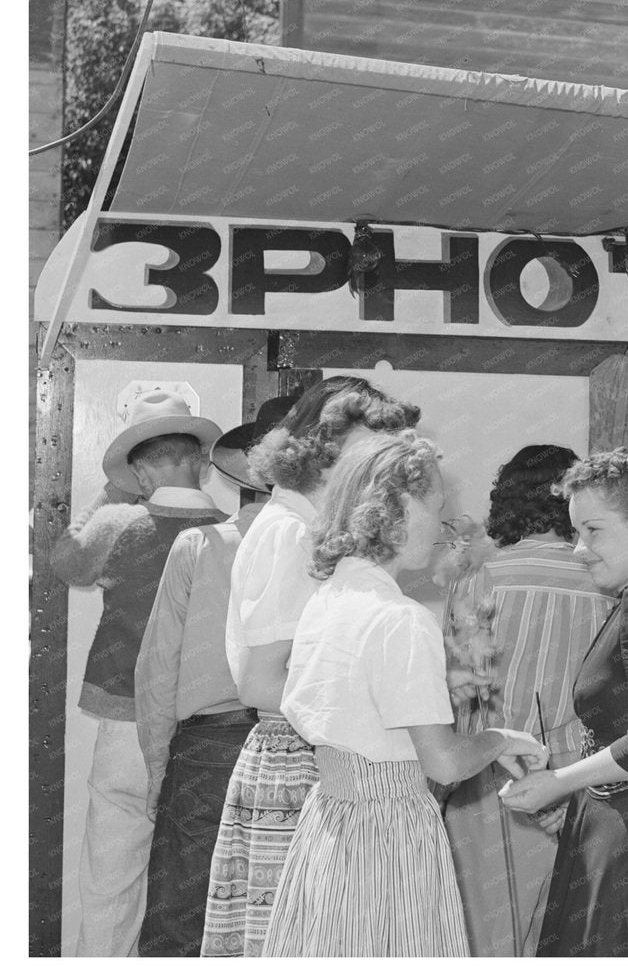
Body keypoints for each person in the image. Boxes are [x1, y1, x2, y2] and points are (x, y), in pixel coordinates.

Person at [260, 431, 546, 956]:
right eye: (434, 507)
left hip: (329, 822)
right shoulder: (400, 620)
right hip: (389, 832)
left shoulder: (329, 600)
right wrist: (500, 739)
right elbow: (444, 763)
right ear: (392, 511)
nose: (441, 524)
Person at [202, 376, 419, 957]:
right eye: (372, 449)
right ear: (325, 449)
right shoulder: (289, 532)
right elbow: (260, 681)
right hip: (299, 760)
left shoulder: (307, 527)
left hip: (312, 755)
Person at [499, 449, 628, 956]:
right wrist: (568, 794)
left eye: (593, 531)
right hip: (624, 822)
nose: (579, 550)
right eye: (576, 533)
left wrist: (558, 781)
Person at [51, 390, 225, 956]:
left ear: (140, 469)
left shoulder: (120, 522)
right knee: (198, 874)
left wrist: (109, 492)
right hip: (208, 728)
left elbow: (66, 562)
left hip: (126, 721)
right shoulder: (233, 532)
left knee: (111, 868)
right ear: (198, 460)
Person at [442, 444, 615, 956]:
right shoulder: (607, 581)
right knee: (564, 931)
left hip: (486, 773)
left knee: (481, 935)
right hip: (577, 779)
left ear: (507, 500)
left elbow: (462, 691)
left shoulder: (477, 579)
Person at [133, 397, 292, 955]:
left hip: (210, 745)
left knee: (183, 914)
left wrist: (157, 770)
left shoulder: (200, 547)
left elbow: (156, 672)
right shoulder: (332, 554)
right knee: (285, 916)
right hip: (301, 746)